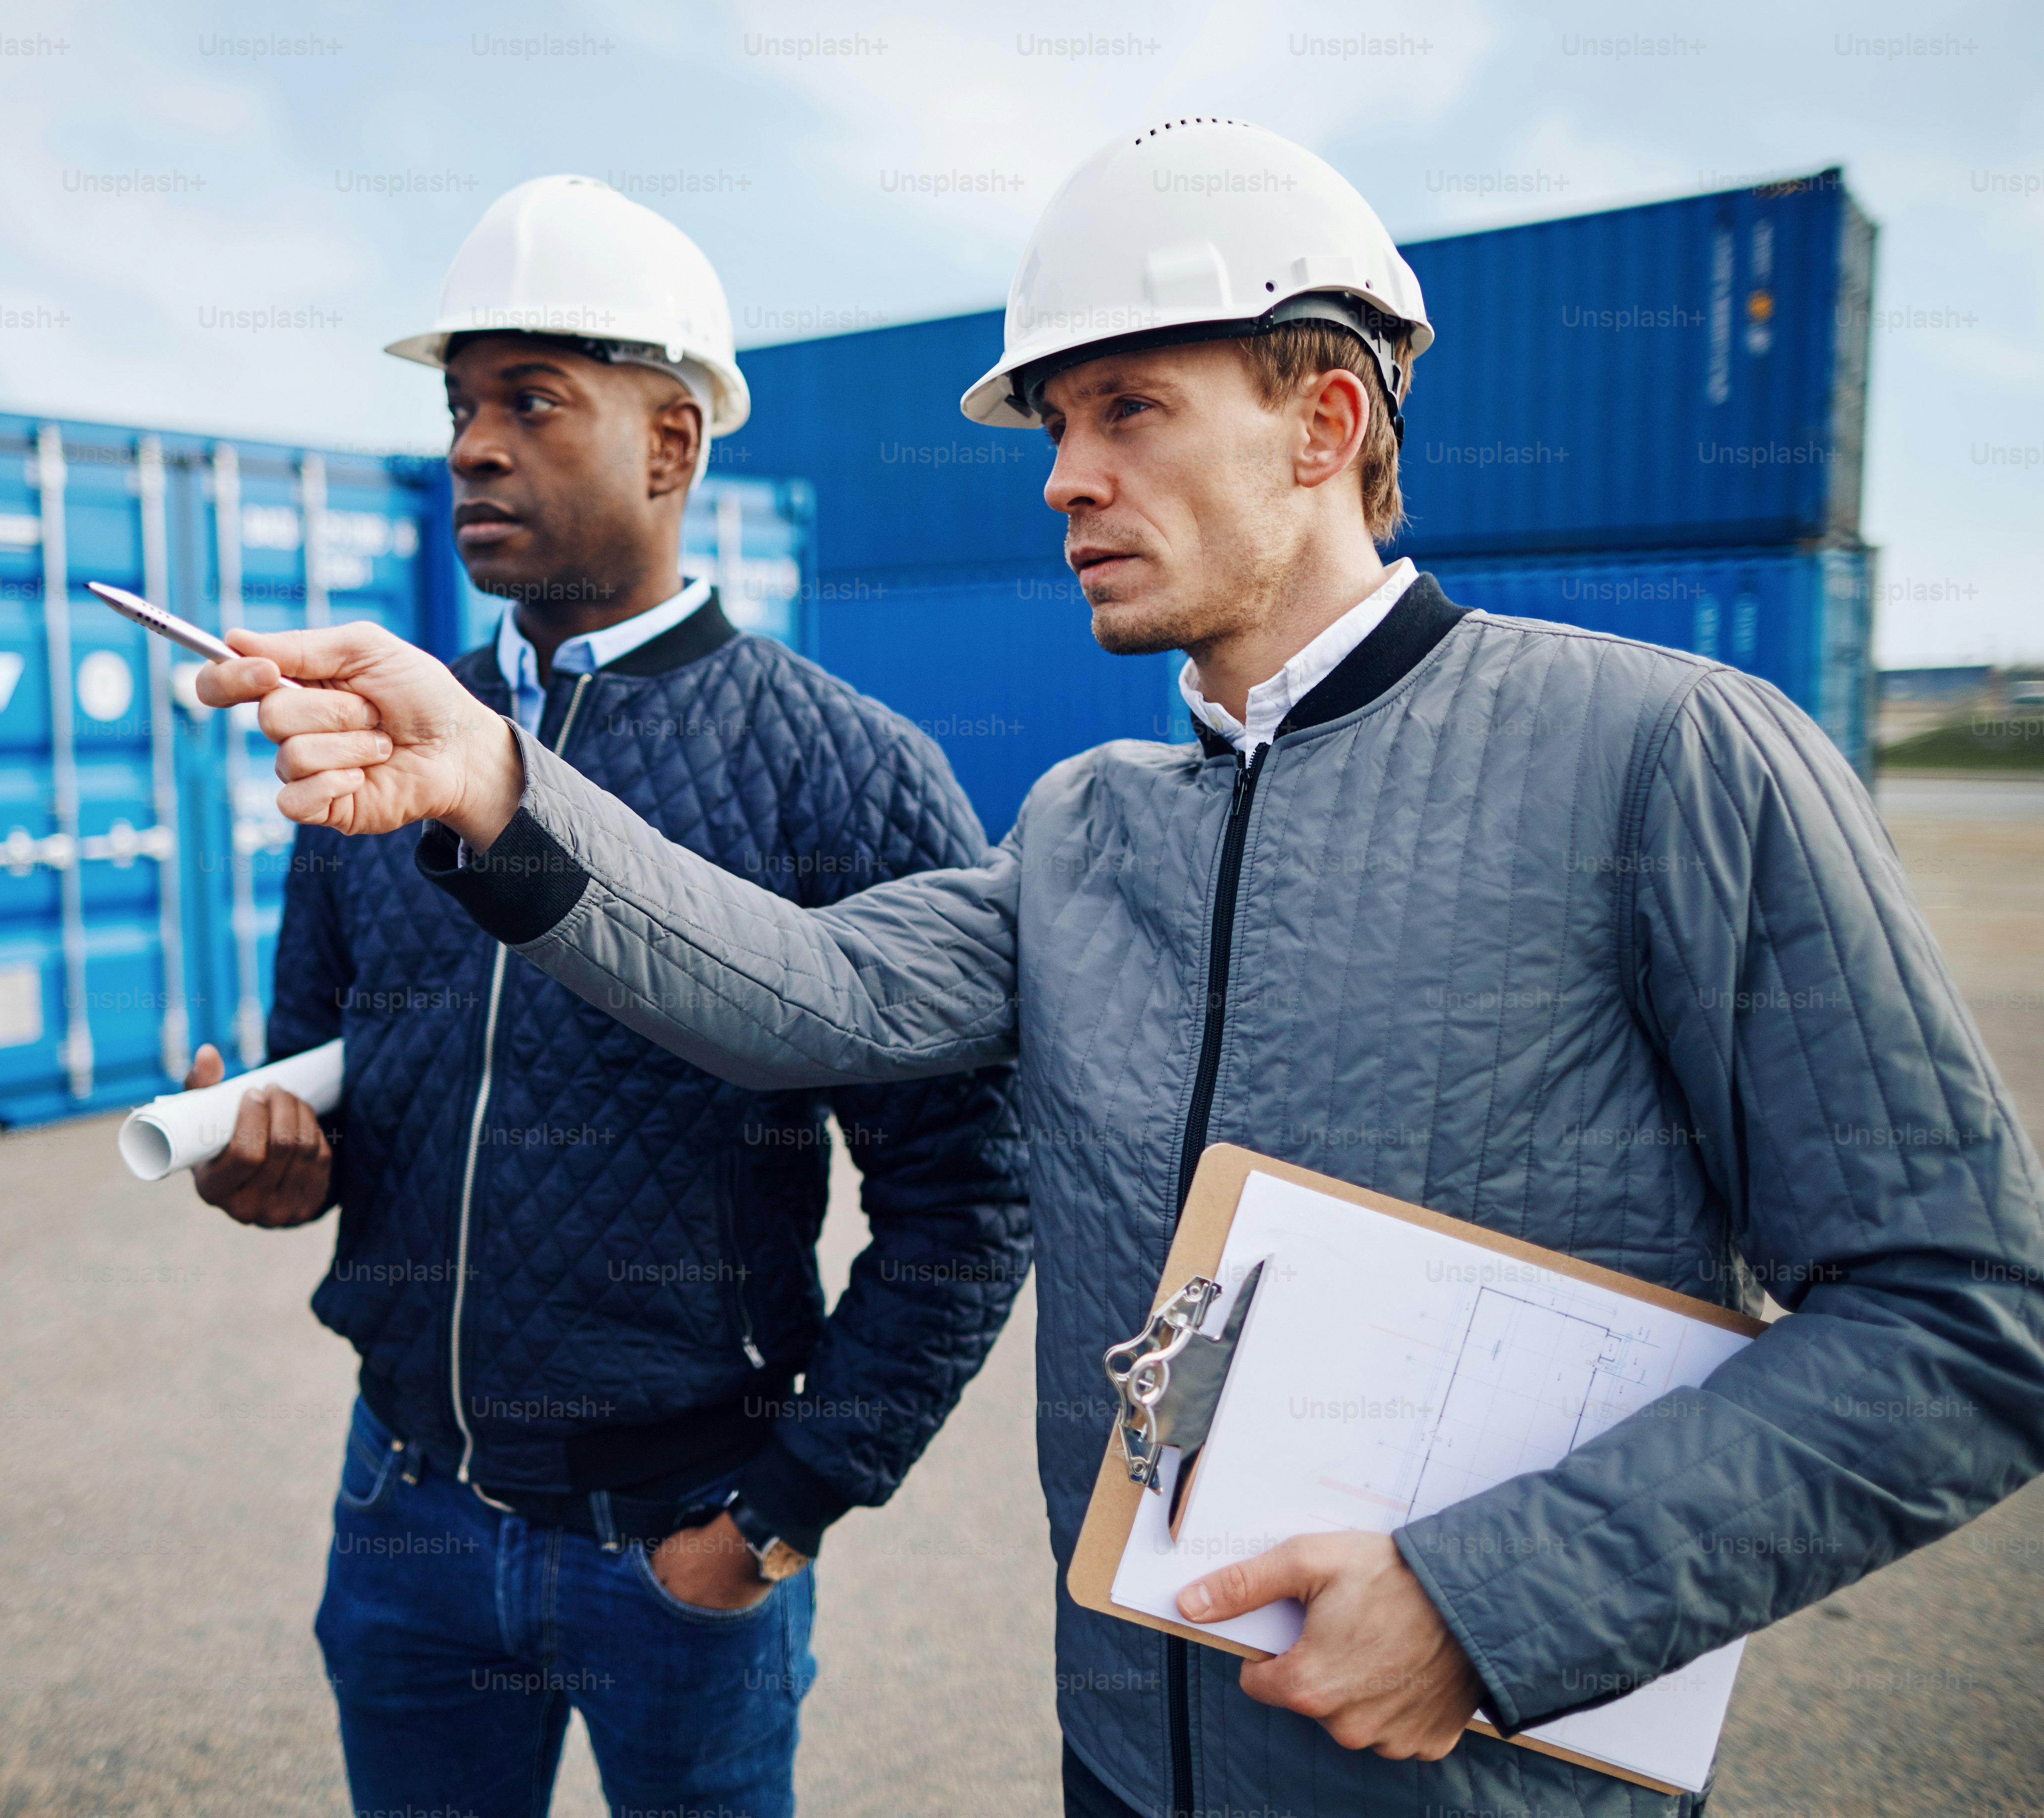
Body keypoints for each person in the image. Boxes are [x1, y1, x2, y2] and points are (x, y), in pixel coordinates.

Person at [197, 121, 2044, 1818]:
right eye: (1056, 428)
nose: (1066, 479)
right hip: (1125, 1767)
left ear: (1326, 422)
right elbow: (805, 996)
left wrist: (1491, 1607)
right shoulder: (1085, 825)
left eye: (1131, 414)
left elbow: (1961, 1322)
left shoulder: (1669, 759)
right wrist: (504, 791)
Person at [176, 174, 1028, 1818]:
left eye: (532, 402)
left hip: (680, 1547)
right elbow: (325, 1079)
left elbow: (967, 1197)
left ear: (674, 446)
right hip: (404, 1516)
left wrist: (782, 1508)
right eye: (460, 404)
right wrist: (264, 1164)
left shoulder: (845, 772)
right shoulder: (375, 757)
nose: (472, 447)